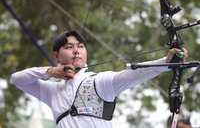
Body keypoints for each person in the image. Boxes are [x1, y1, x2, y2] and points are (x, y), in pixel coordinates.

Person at [11, 30, 188, 128]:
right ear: (57, 56)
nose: (76, 50)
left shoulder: (98, 82)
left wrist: (166, 62)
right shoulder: (52, 91)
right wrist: (50, 71)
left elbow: (136, 74)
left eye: (80, 46)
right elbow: (16, 78)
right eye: (69, 46)